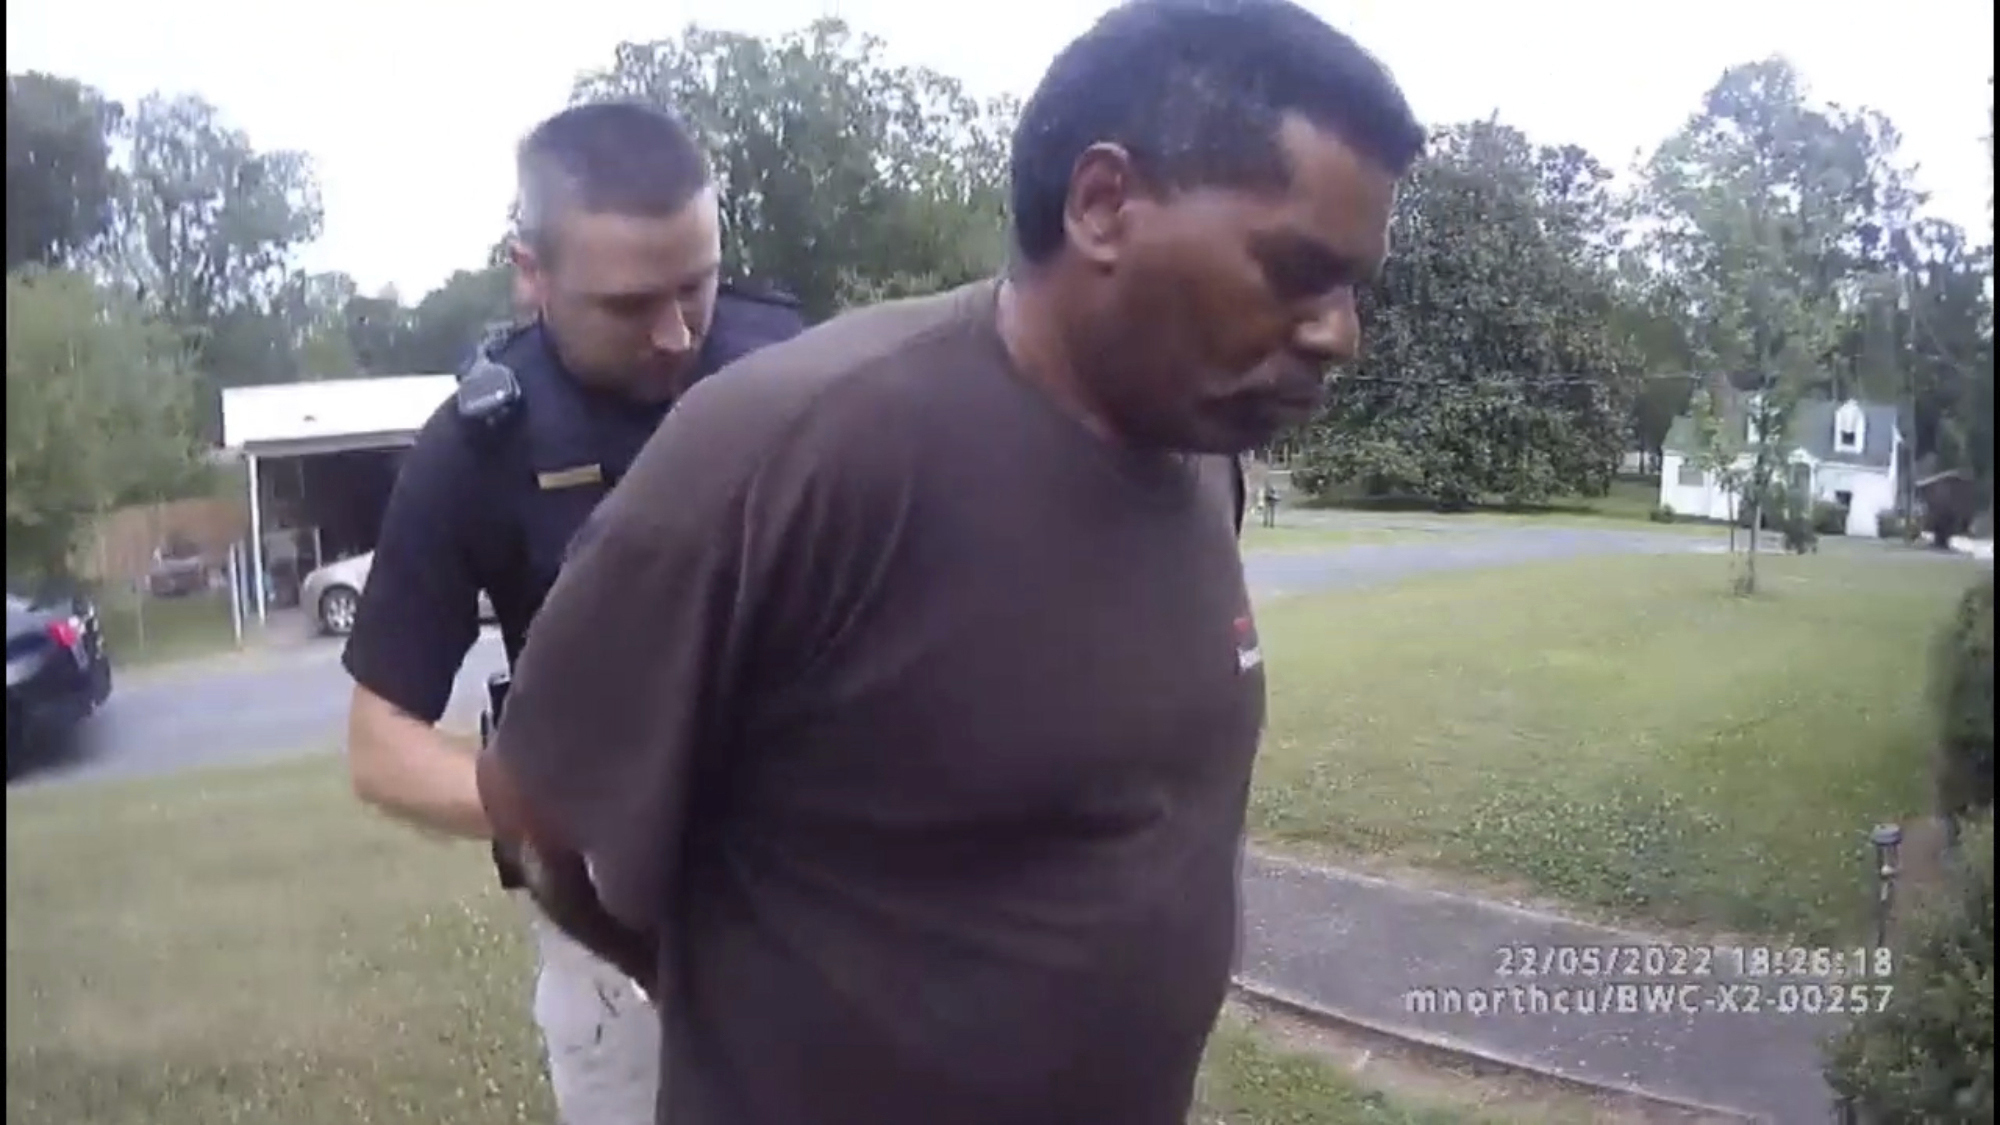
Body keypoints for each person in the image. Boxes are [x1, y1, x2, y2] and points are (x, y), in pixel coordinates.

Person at [477, 1, 1424, 1122]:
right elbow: (542, 812)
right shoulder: (790, 451)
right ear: (1103, 204)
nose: (1338, 332)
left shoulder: (1198, 452)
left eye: (1349, 287)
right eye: (1294, 271)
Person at [340, 100, 804, 1123]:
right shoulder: (476, 448)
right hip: (612, 934)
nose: (678, 332)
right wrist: (549, 807)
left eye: (698, 283)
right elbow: (380, 745)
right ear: (531, 273)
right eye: (631, 304)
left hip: (821, 889)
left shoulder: (797, 368)